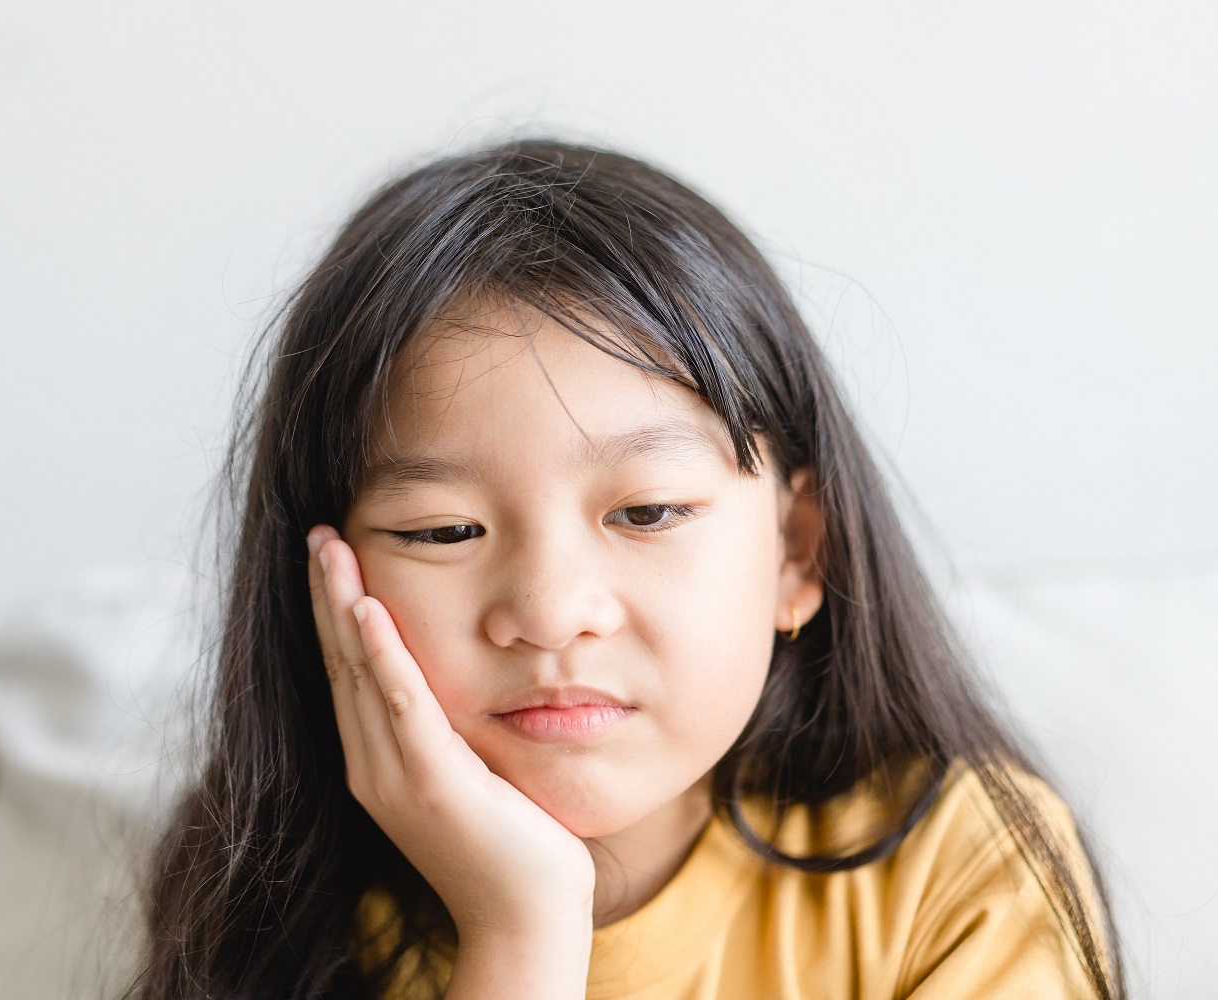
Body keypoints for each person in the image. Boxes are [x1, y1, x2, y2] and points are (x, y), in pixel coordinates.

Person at [132, 140, 1123, 999]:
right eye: (443, 530)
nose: (552, 611)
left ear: (797, 550)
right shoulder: (268, 912)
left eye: (648, 511)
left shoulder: (955, 862)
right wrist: (520, 933)